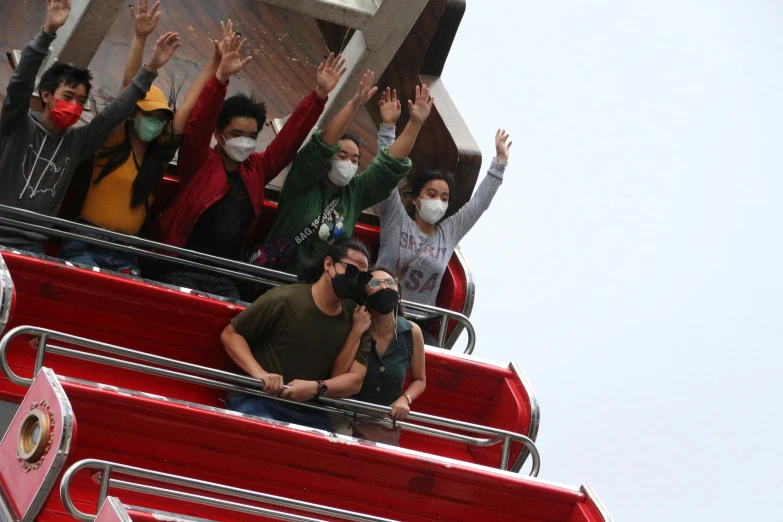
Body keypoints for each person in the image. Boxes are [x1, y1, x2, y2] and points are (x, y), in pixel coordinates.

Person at [154, 44, 348, 299]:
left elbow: (287, 142)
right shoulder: (198, 161)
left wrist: (318, 96)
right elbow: (199, 123)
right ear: (218, 134)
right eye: (237, 134)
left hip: (226, 275)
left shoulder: (256, 169)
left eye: (251, 136)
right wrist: (220, 79)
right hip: (182, 267)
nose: (245, 141)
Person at [60, 3, 232, 276]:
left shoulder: (158, 159)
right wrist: (139, 38)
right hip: (87, 242)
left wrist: (215, 64)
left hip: (128, 252)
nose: (154, 122)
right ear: (133, 115)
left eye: (159, 117)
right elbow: (129, 88)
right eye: (147, 114)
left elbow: (188, 107)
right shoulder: (112, 142)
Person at [0, 0, 180, 255]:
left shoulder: (78, 142)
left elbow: (115, 112)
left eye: (81, 101)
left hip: (32, 248)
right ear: (46, 95)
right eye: (68, 96)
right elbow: (20, 83)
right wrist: (48, 32)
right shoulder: (16, 124)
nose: (74, 105)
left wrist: (151, 69)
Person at [256, 80, 435, 275]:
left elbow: (388, 167)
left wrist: (415, 123)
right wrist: (354, 105)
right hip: (276, 280)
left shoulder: (355, 193)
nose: (348, 163)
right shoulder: (302, 181)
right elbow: (321, 146)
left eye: (355, 159)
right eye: (341, 156)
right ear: (328, 159)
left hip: (319, 290)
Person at [220, 238, 373, 432]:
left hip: (310, 411)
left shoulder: (359, 319)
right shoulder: (284, 298)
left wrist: (316, 388)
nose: (354, 281)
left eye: (362, 278)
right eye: (350, 271)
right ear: (328, 264)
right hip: (259, 398)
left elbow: (354, 381)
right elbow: (232, 334)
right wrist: (261, 374)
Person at [376, 116, 513, 325]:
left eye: (444, 198)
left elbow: (478, 204)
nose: (437, 202)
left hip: (418, 325)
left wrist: (499, 163)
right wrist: (387, 128)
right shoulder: (396, 218)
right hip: (380, 311)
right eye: (431, 195)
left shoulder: (448, 232)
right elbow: (384, 175)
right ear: (415, 199)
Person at [342, 267, 426, 445]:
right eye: (375, 284)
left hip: (384, 425)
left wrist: (405, 399)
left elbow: (420, 380)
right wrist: (357, 331)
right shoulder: (353, 325)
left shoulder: (412, 332)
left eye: (389, 283)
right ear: (364, 295)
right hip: (344, 418)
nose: (384, 288)